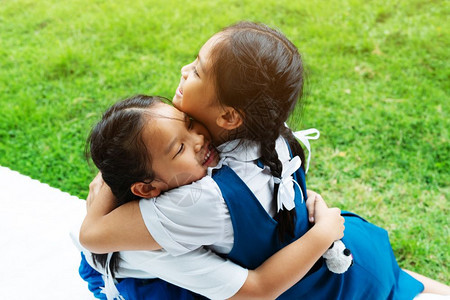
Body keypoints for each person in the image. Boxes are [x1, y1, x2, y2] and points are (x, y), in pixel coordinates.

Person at [80, 21, 450, 299]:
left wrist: (108, 175)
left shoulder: (201, 200)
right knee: (400, 283)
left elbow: (92, 237)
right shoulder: (270, 129)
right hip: (354, 249)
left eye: (197, 69)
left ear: (228, 117)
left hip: (318, 281)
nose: (183, 71)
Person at [77, 94, 344, 299]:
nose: (198, 139)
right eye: (180, 147)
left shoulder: (181, 178)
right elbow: (256, 290)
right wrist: (322, 234)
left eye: (190, 124)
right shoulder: (171, 225)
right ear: (147, 189)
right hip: (137, 282)